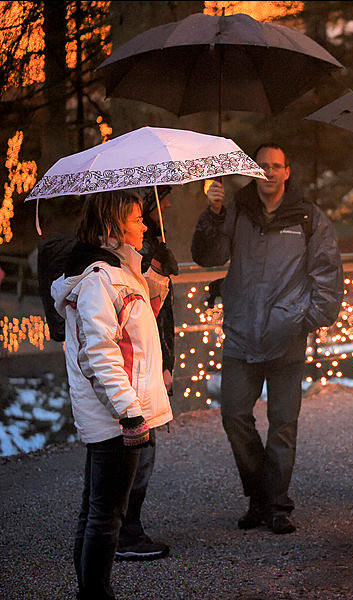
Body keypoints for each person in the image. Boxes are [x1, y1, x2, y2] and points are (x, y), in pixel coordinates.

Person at [191, 142, 343, 535]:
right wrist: (213, 213)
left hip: (287, 336)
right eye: (262, 166)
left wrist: (308, 319)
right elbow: (209, 256)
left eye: (277, 166)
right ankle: (262, 494)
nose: (270, 172)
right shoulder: (237, 211)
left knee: (283, 423)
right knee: (233, 415)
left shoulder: (308, 217)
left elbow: (327, 272)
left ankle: (274, 505)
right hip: (241, 334)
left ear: (287, 172)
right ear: (253, 171)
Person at [50, 190, 175, 599]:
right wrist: (130, 415)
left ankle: (92, 590)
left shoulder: (124, 268)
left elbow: (143, 318)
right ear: (113, 226)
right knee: (105, 515)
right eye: (137, 219)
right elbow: (99, 354)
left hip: (121, 410)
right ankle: (95, 593)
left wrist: (157, 272)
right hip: (116, 416)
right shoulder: (99, 278)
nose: (144, 225)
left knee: (98, 509)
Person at [115, 185, 176, 561]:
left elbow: (150, 311)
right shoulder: (107, 267)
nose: (167, 204)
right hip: (128, 379)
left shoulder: (136, 254)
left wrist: (157, 272)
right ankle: (121, 532)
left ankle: (121, 529)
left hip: (144, 371)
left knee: (140, 455)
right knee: (131, 456)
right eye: (137, 217)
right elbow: (131, 321)